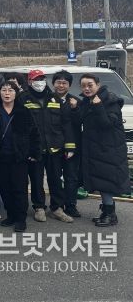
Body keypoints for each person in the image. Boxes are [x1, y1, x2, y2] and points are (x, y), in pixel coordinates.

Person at [0, 81, 41, 233]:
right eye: (4, 90)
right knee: (4, 188)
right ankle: (11, 215)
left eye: (10, 90)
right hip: (0, 156)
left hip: (19, 156)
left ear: (16, 93)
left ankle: (21, 218)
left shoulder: (24, 111)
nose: (7, 93)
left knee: (19, 188)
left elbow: (34, 132)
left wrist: (34, 153)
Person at [23, 69, 74, 224]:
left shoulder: (55, 98)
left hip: (55, 147)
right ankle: (39, 207)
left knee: (56, 179)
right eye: (36, 79)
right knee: (36, 180)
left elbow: (66, 123)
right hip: (35, 149)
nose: (39, 82)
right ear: (30, 82)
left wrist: (70, 146)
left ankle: (57, 208)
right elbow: (20, 126)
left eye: (42, 79)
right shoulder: (23, 99)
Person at [79, 73, 129, 226]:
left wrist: (98, 105)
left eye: (90, 85)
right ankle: (106, 212)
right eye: (83, 86)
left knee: (106, 182)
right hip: (96, 149)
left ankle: (110, 215)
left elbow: (107, 124)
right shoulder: (86, 101)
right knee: (100, 182)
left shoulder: (110, 101)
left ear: (98, 85)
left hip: (109, 149)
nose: (87, 88)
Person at [52, 70, 83, 218]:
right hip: (54, 146)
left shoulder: (76, 101)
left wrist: (75, 109)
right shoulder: (48, 100)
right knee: (55, 177)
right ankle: (57, 205)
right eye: (58, 82)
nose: (61, 85)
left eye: (64, 83)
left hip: (73, 146)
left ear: (69, 85)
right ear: (53, 84)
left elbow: (80, 122)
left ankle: (71, 205)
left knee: (71, 178)